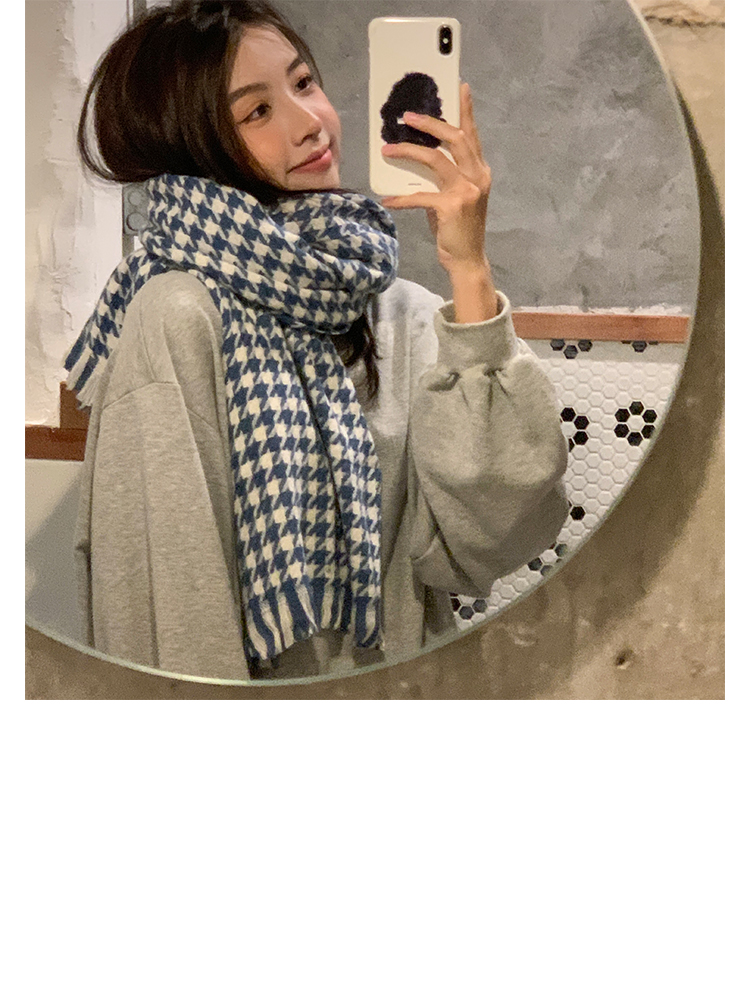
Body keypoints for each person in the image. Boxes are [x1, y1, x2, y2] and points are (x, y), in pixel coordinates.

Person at [65, 0, 568, 680]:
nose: (310, 122)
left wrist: (469, 268)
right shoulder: (176, 313)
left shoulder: (402, 313)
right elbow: (165, 606)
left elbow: (494, 540)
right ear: (191, 147)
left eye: (303, 83)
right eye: (257, 112)